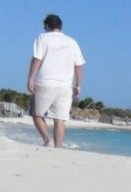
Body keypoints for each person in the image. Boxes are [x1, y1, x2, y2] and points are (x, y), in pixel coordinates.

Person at [27, 14, 85, 148]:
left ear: (47, 26)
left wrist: (31, 78)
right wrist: (78, 86)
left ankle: (47, 140)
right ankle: (58, 147)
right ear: (60, 26)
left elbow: (37, 59)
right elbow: (79, 65)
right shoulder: (72, 42)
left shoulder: (43, 37)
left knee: (36, 114)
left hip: (45, 83)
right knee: (60, 119)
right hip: (65, 86)